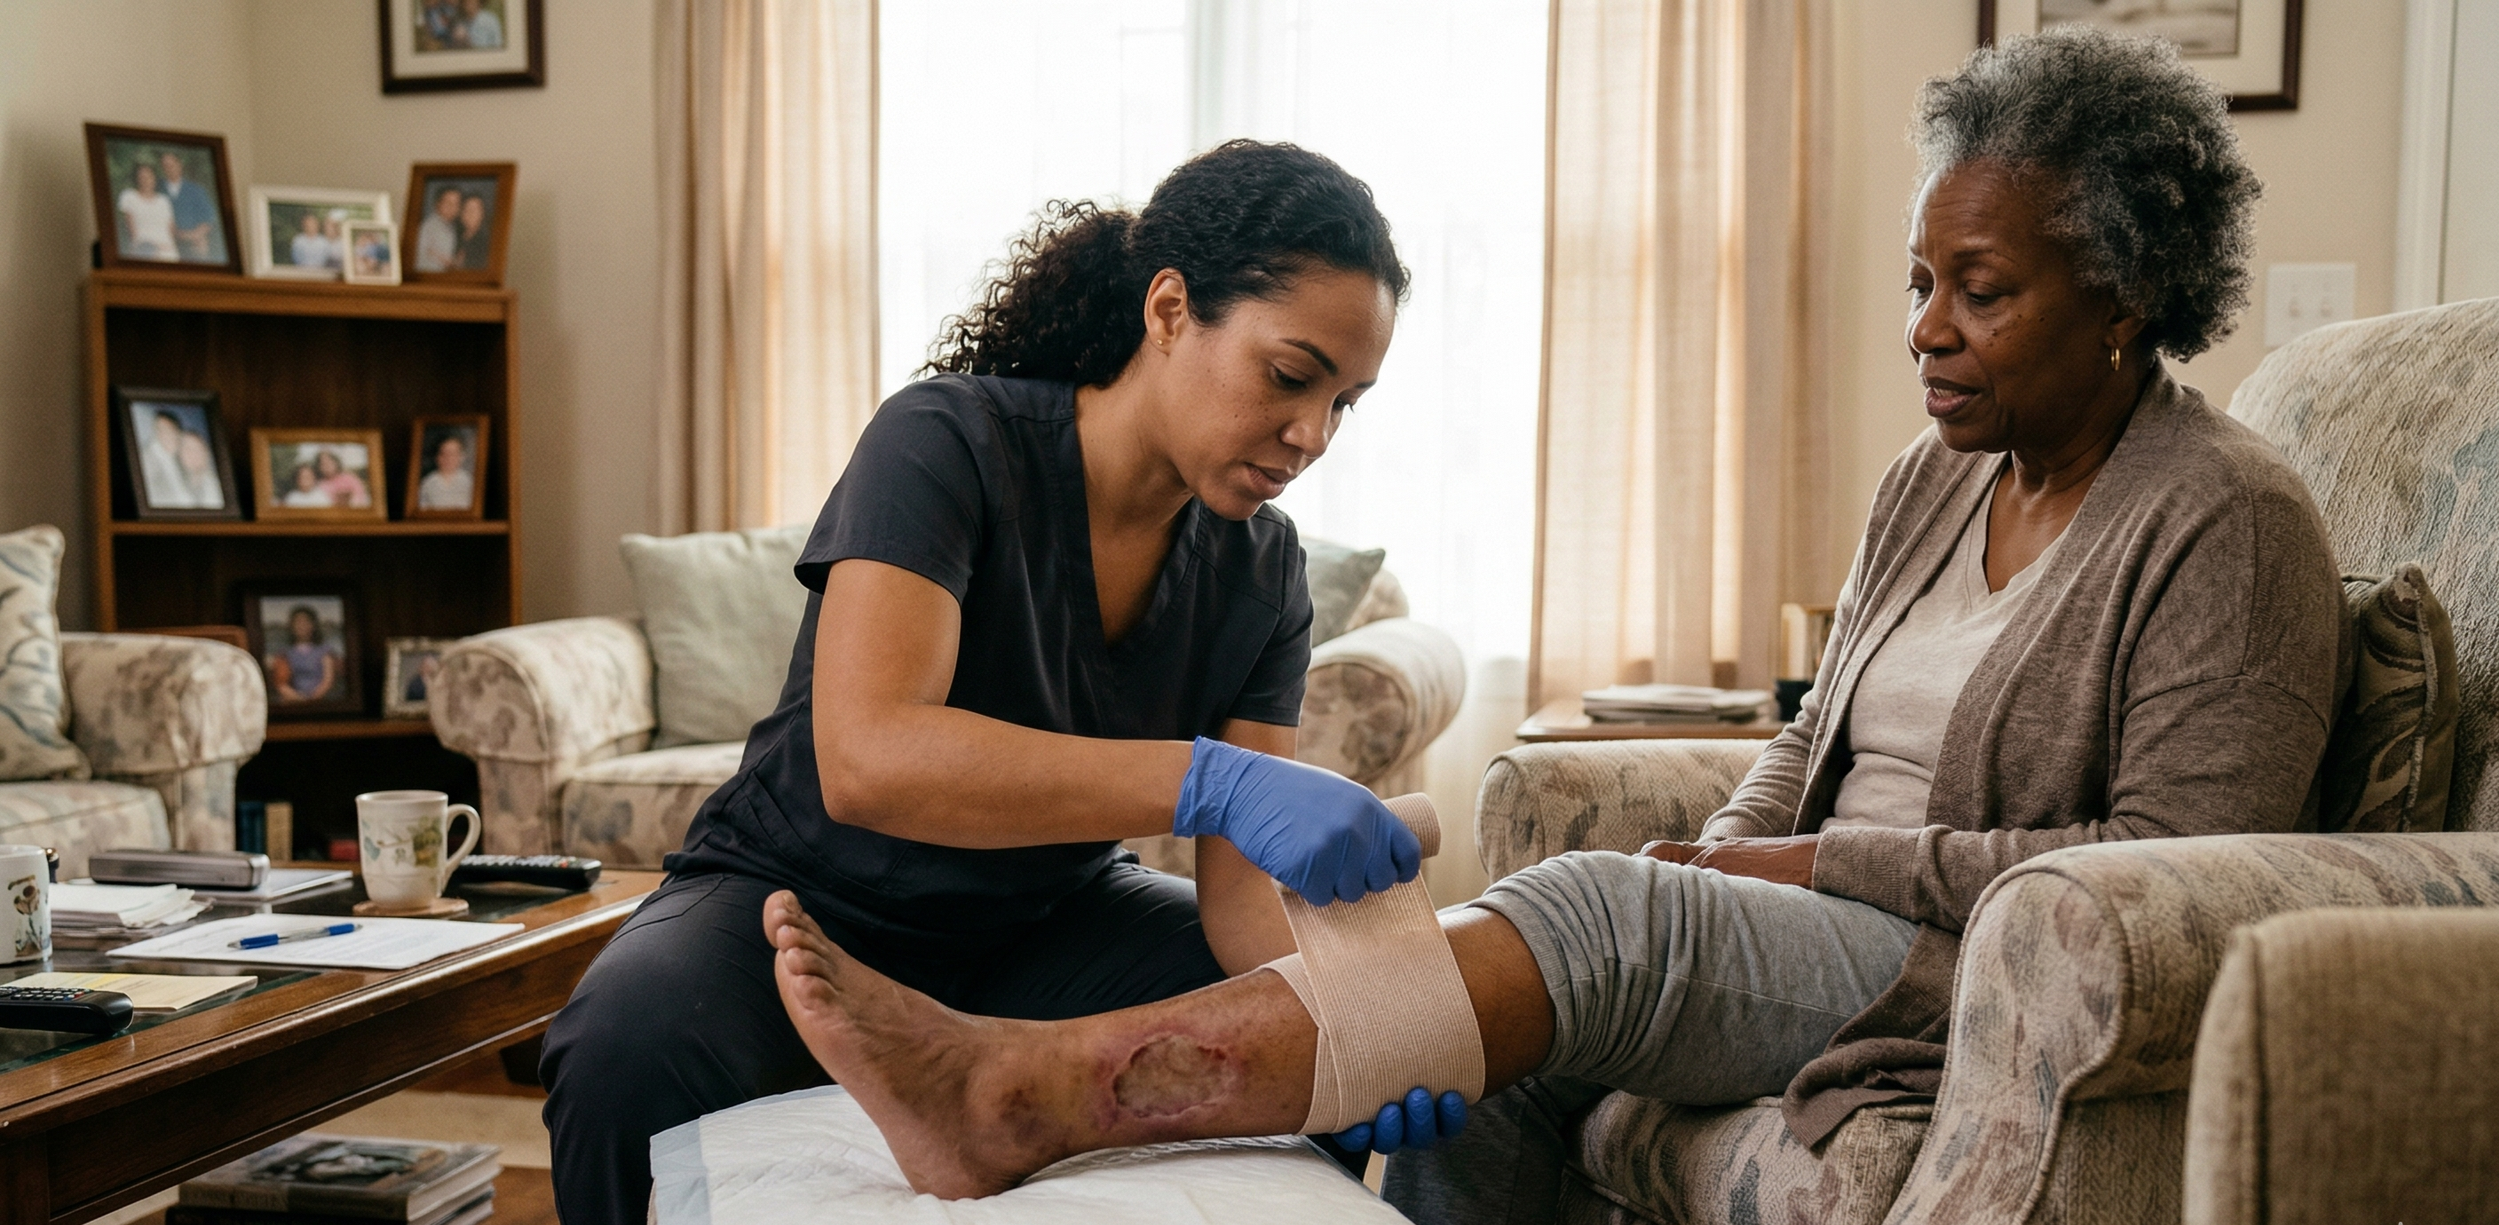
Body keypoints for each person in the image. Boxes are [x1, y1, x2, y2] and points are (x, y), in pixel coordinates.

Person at [745, 27, 2345, 1216]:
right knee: (1483, 1042)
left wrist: (1784, 872)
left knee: (1570, 922)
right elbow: (1805, 741)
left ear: (2124, 294)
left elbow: (2162, 889)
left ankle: (1025, 1090)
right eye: (1916, 279)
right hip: (1809, 923)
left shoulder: (2224, 520)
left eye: (1978, 289)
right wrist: (1711, 854)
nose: (1924, 329)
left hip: (1972, 961)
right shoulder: (1932, 484)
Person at [539, 140, 1440, 1225]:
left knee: (1312, 1032)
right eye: (1291, 377)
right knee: (621, 1044)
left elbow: (1242, 903)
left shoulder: (1264, 570)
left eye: (1347, 402)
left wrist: (1370, 1014)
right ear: (1168, 310)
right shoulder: (948, 442)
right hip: (795, 903)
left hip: (1043, 927)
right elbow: (871, 759)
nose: (1312, 435)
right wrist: (1213, 779)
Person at [266, 606, 339, 703]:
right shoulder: (284, 653)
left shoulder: (324, 651)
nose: (302, 626)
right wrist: (298, 699)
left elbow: (328, 680)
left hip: (320, 701)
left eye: (306, 622)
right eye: (298, 622)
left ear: (313, 625)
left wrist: (312, 699)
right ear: (291, 626)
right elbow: (281, 684)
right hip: (293, 701)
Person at [158, 150, 221, 263]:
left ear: (179, 165)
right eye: (165, 166)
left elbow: (208, 218)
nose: (169, 169)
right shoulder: (157, 190)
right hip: (165, 242)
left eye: (172, 165)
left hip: (193, 243)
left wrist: (195, 236)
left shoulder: (196, 190)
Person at [136, 409, 200, 508]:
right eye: (160, 430)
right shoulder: (145, 459)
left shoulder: (181, 458)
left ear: (178, 433)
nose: (165, 435)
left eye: (170, 431)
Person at [116, 160, 177, 261]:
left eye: (148, 177)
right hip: (142, 251)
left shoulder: (164, 201)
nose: (145, 180)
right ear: (136, 179)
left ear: (154, 178)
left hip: (168, 251)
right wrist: (150, 248)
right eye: (141, 177)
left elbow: (171, 228)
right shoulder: (129, 196)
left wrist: (166, 247)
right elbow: (130, 228)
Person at [417, 432, 474, 510]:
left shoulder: (470, 482)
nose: (448, 458)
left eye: (453, 454)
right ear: (437, 457)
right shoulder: (427, 483)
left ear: (462, 457)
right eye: (444, 453)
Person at [415, 186, 462, 272]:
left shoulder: (453, 228)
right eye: (448, 203)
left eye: (456, 204)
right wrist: (445, 261)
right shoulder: (427, 227)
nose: (452, 207)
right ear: (438, 204)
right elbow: (420, 257)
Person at [455, 193, 491, 269]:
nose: (470, 214)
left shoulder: (486, 241)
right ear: (461, 213)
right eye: (466, 209)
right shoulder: (455, 234)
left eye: (474, 210)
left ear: (482, 214)